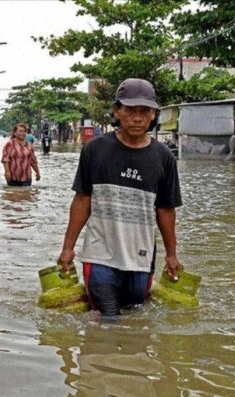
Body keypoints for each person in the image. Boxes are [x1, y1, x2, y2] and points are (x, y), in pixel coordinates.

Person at [57, 78, 182, 317]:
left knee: (135, 322)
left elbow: (165, 210)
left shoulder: (163, 157)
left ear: (154, 115)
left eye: (144, 111)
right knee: (109, 319)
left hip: (141, 260)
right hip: (100, 255)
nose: (137, 118)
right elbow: (82, 201)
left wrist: (172, 255)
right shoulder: (95, 150)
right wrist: (67, 248)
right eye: (130, 110)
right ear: (116, 111)